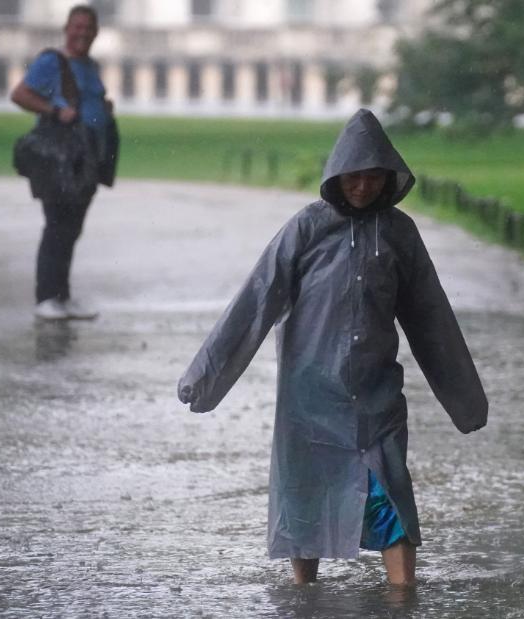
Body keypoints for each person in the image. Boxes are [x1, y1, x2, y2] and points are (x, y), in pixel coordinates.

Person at [177, 109, 488, 587]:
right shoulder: (306, 229)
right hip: (309, 397)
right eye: (353, 178)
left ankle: (403, 598)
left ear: (388, 179)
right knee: (306, 499)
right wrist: (205, 376)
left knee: (391, 493)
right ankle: (305, 597)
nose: (362, 188)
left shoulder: (400, 234)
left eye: (372, 178)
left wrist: (466, 401)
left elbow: (431, 317)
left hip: (376, 393)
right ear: (336, 177)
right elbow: (256, 300)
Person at [10, 5, 115, 321]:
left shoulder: (90, 64)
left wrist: (102, 108)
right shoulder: (52, 61)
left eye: (89, 27)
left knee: (71, 228)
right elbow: (20, 94)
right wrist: (54, 111)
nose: (83, 32)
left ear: (96, 31)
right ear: (67, 29)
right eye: (77, 26)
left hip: (86, 158)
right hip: (62, 157)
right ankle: (46, 298)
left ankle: (62, 297)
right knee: (57, 225)